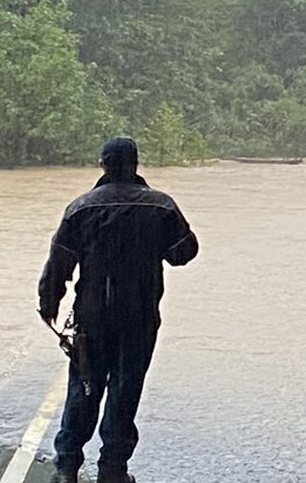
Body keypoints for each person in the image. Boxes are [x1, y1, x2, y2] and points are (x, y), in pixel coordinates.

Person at [38, 137, 199, 483]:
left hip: (92, 318)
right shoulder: (161, 207)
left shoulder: (81, 208)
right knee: (125, 390)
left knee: (84, 387)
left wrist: (48, 303)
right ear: (136, 164)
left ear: (103, 165)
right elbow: (184, 252)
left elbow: (59, 263)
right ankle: (113, 470)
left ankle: (66, 467)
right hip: (140, 318)